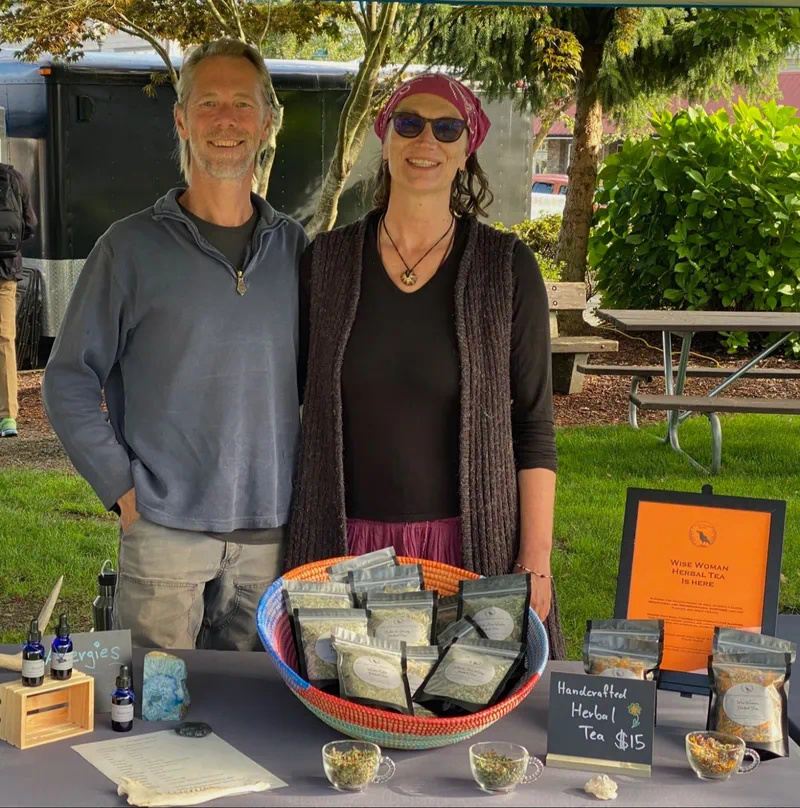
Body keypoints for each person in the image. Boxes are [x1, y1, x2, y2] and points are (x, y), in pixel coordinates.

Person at [42, 39, 308, 651]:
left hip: (271, 537)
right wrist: (121, 488)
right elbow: (69, 379)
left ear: (266, 121)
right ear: (181, 118)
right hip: (163, 529)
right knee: (150, 724)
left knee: (254, 722)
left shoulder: (297, 251)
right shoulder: (127, 249)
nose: (225, 120)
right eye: (208, 102)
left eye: (242, 103)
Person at [287, 74, 565, 659]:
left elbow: (534, 424)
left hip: (467, 547)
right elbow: (287, 399)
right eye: (409, 123)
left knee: (463, 717)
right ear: (384, 136)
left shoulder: (506, 269)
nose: (426, 141)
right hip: (343, 545)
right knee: (344, 716)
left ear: (468, 148)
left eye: (447, 128)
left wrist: (534, 559)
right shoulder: (326, 264)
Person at [0, 162, 37, 438]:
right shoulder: (13, 178)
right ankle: (7, 416)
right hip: (5, 271)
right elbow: (29, 225)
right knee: (4, 340)